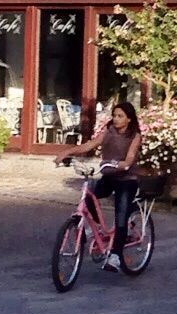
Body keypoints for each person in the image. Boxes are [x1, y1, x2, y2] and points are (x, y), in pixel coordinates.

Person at [60, 92, 143, 268]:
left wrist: (124, 163)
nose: (116, 119)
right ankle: (96, 228)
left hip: (126, 180)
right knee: (89, 196)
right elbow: (90, 145)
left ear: (129, 119)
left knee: (121, 218)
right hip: (109, 176)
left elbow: (130, 157)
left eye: (120, 116)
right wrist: (68, 152)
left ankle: (116, 256)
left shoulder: (134, 136)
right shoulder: (108, 132)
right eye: (114, 115)